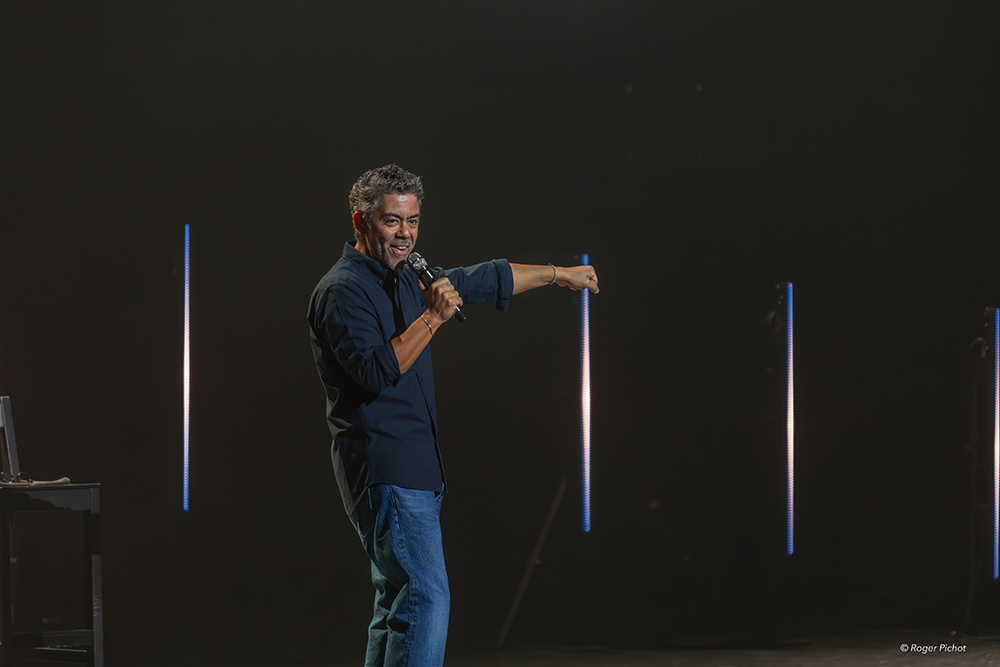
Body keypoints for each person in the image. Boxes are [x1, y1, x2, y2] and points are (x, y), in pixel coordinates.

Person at [307, 164, 599, 667]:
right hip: (387, 468)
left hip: (414, 471)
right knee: (426, 598)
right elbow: (374, 371)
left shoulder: (404, 278)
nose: (405, 234)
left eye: (413, 221)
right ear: (360, 222)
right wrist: (433, 317)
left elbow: (482, 279)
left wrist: (558, 275)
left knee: (396, 604)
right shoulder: (343, 290)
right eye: (392, 221)